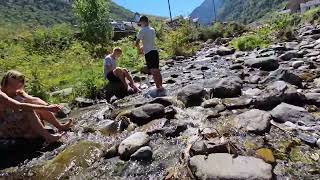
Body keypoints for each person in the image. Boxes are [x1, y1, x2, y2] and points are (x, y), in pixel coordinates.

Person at [1, 70, 72, 132]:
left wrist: (47, 106)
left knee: (37, 106)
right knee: (29, 110)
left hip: (20, 117)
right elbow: (18, 106)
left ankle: (60, 126)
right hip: (7, 123)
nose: (19, 85)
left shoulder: (19, 91)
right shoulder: (2, 95)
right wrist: (46, 108)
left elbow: (34, 100)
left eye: (20, 82)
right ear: (6, 82)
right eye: (13, 85)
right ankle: (48, 136)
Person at [135, 15, 164, 92]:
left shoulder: (142, 30)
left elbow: (137, 42)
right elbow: (149, 41)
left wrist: (139, 50)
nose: (140, 25)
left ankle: (158, 88)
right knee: (157, 70)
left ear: (143, 22)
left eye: (140, 23)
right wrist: (142, 47)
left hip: (149, 53)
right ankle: (161, 87)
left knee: (153, 71)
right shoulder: (152, 29)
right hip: (155, 51)